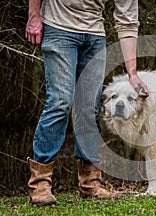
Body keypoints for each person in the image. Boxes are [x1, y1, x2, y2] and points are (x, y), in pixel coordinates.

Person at [25, 0, 149, 206]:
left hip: (94, 36)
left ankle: (90, 183)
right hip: (58, 28)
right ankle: (40, 184)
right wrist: (34, 15)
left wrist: (132, 73)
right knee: (60, 102)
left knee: (89, 108)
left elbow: (127, 21)